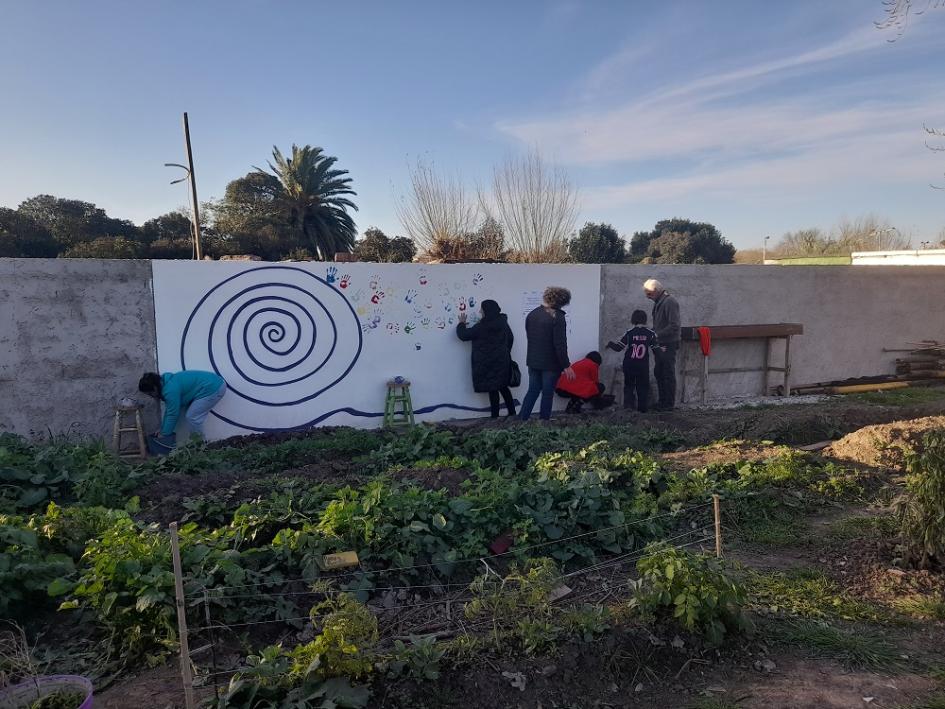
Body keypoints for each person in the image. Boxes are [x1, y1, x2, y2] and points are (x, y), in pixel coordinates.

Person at [520, 286, 576, 421]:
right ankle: (544, 422)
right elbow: (560, 344)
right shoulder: (558, 317)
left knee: (532, 391)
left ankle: (521, 420)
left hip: (533, 360)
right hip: (550, 364)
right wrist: (566, 365)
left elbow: (530, 337)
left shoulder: (532, 314)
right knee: (547, 393)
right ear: (562, 302)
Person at [456, 299, 517, 418]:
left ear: (487, 311)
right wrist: (505, 352)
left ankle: (495, 417)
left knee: (493, 389)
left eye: (482, 309)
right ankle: (512, 413)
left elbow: (464, 335)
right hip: (502, 361)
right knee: (504, 387)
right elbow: (510, 338)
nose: (480, 311)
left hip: (487, 363)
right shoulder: (502, 322)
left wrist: (461, 323)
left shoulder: (482, 326)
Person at [138, 369, 227, 444]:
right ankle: (199, 444)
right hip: (211, 384)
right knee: (192, 416)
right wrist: (162, 430)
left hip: (213, 387)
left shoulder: (170, 390)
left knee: (192, 417)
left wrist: (164, 434)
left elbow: (173, 414)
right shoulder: (165, 383)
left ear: (154, 387)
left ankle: (201, 446)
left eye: (150, 393)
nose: (151, 396)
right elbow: (169, 410)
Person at [643, 279, 681, 411]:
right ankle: (662, 402)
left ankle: (668, 404)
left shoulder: (669, 302)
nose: (647, 297)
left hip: (668, 343)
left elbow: (674, 326)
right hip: (661, 343)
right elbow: (661, 324)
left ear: (656, 291)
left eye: (648, 294)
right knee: (659, 372)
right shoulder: (660, 301)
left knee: (667, 373)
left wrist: (656, 335)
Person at [618, 309, 658, 412]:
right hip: (642, 366)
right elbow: (655, 349)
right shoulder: (650, 333)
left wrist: (609, 344)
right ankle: (642, 410)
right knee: (643, 387)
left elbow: (619, 347)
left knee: (629, 386)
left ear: (633, 319)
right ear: (645, 320)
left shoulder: (629, 333)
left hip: (629, 364)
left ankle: (628, 409)